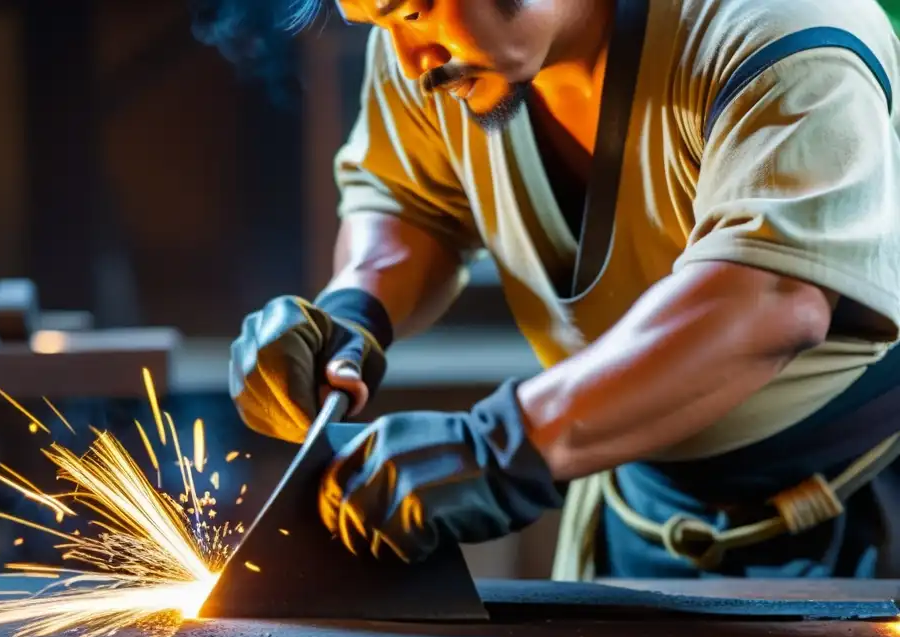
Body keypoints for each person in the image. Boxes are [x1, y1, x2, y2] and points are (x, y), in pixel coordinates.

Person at [220, 0, 900, 579]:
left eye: (411, 11)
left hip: (864, 515)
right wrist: (354, 309)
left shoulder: (785, 34)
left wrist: (502, 446)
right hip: (636, 513)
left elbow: (768, 302)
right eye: (373, 19)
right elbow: (412, 201)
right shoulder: (437, 51)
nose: (408, 62)